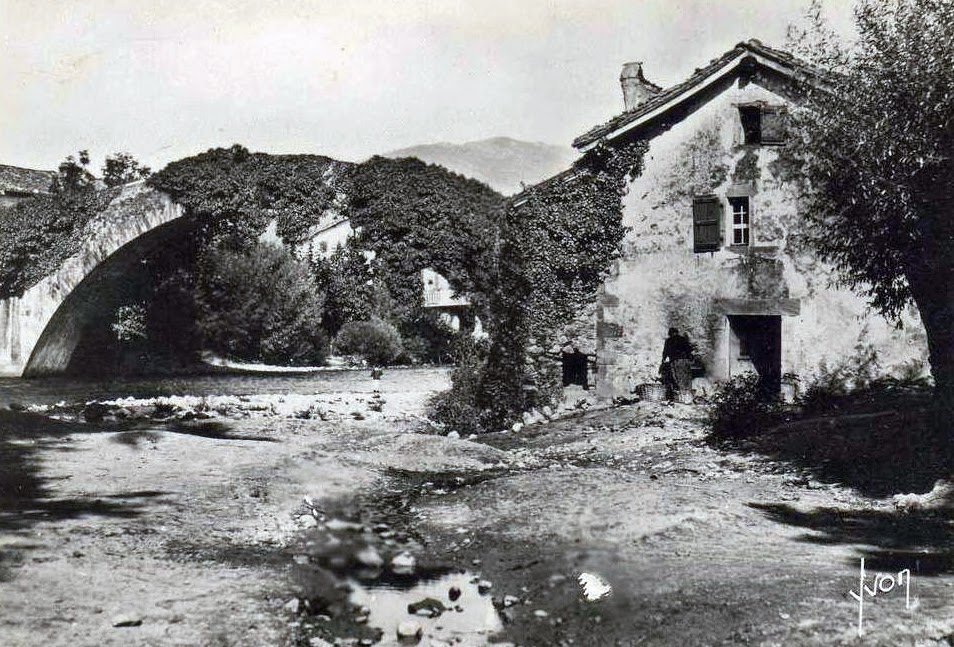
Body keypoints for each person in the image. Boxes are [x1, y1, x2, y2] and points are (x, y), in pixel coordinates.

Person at [660, 327, 694, 399]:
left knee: (678, 378)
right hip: (685, 361)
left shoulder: (669, 341)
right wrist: (690, 358)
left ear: (670, 333)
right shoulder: (683, 339)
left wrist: (663, 360)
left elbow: (665, 352)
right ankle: (689, 395)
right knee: (687, 378)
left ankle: (682, 397)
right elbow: (689, 349)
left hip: (676, 361)